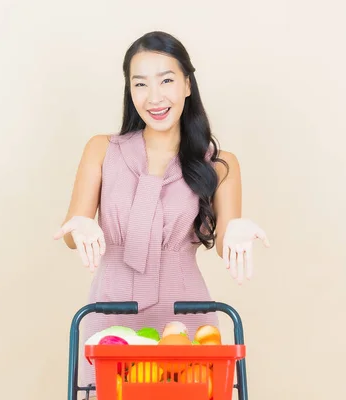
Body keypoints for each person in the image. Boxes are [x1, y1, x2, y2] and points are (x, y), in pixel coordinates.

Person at [53, 31, 270, 396]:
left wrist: (235, 232)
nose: (154, 97)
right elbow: (74, 235)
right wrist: (80, 225)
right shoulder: (101, 149)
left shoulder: (219, 165)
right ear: (129, 90)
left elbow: (225, 239)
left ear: (187, 83)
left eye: (166, 80)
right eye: (140, 84)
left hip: (186, 319)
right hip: (110, 316)